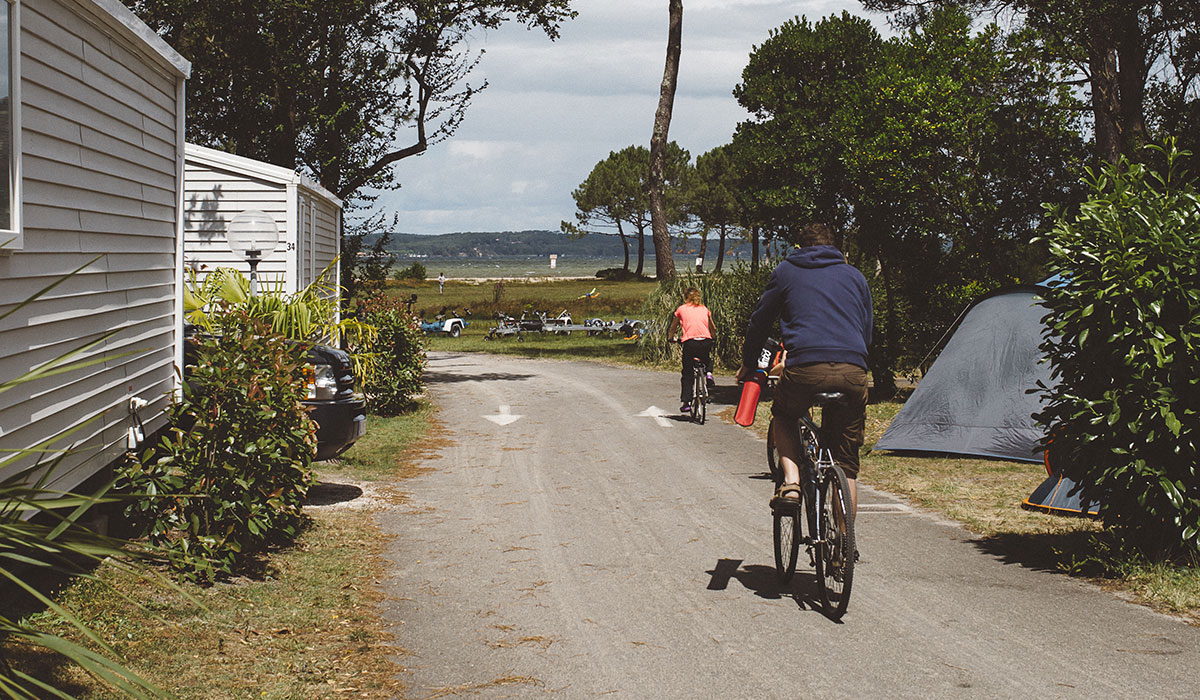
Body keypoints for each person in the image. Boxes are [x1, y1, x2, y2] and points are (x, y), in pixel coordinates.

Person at [737, 222, 872, 515]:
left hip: (805, 368)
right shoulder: (855, 276)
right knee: (846, 465)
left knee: (784, 416)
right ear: (833, 246)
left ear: (799, 247)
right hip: (853, 370)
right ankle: (845, 538)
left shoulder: (786, 272)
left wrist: (749, 362)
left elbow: (760, 321)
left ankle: (792, 483)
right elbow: (867, 329)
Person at [667, 287, 714, 414]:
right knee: (707, 359)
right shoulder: (704, 309)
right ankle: (709, 374)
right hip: (705, 340)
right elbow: (713, 327)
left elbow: (673, 327)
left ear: (685, 297)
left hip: (690, 342)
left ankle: (686, 402)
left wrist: (671, 338)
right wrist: (713, 337)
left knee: (687, 372)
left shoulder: (681, 309)